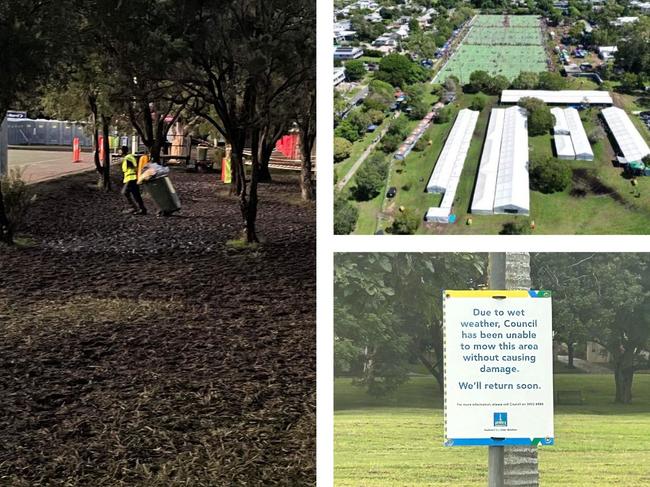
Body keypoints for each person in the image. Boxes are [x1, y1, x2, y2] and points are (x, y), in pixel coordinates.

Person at [121, 146, 147, 215]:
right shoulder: (129, 157)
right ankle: (142, 209)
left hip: (130, 178)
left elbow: (133, 166)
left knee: (125, 192)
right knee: (136, 194)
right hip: (133, 178)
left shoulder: (127, 158)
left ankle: (133, 207)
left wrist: (131, 166)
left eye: (120, 150)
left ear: (123, 151)